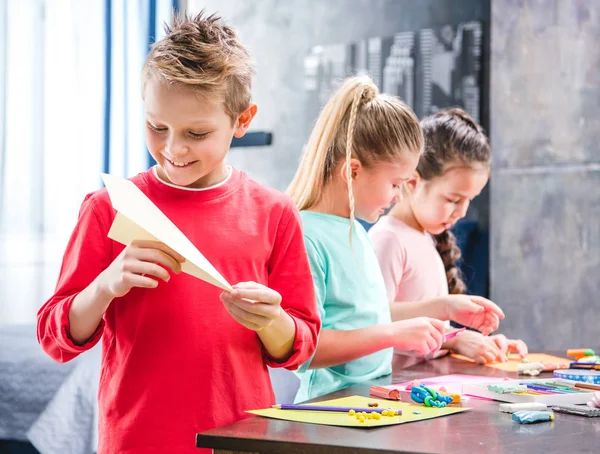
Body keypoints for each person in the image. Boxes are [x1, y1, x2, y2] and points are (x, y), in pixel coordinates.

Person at [37, 11, 320, 453]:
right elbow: (55, 337)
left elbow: (300, 346)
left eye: (197, 132)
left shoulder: (275, 213)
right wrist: (105, 285)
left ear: (242, 120)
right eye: (157, 127)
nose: (172, 148)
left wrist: (273, 321)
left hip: (242, 440)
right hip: (137, 440)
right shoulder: (106, 208)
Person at [287, 77, 502, 402]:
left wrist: (444, 307)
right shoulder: (309, 236)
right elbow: (305, 350)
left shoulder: (355, 230)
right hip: (330, 410)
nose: (399, 195)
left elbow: (371, 316)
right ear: (353, 172)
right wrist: (393, 334)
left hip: (368, 401)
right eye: (395, 184)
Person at [370, 107, 526, 365]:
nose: (462, 212)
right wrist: (449, 327)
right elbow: (374, 318)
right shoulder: (388, 239)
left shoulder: (425, 238)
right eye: (453, 200)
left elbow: (427, 342)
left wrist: (478, 344)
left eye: (469, 201)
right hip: (391, 395)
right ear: (412, 183)